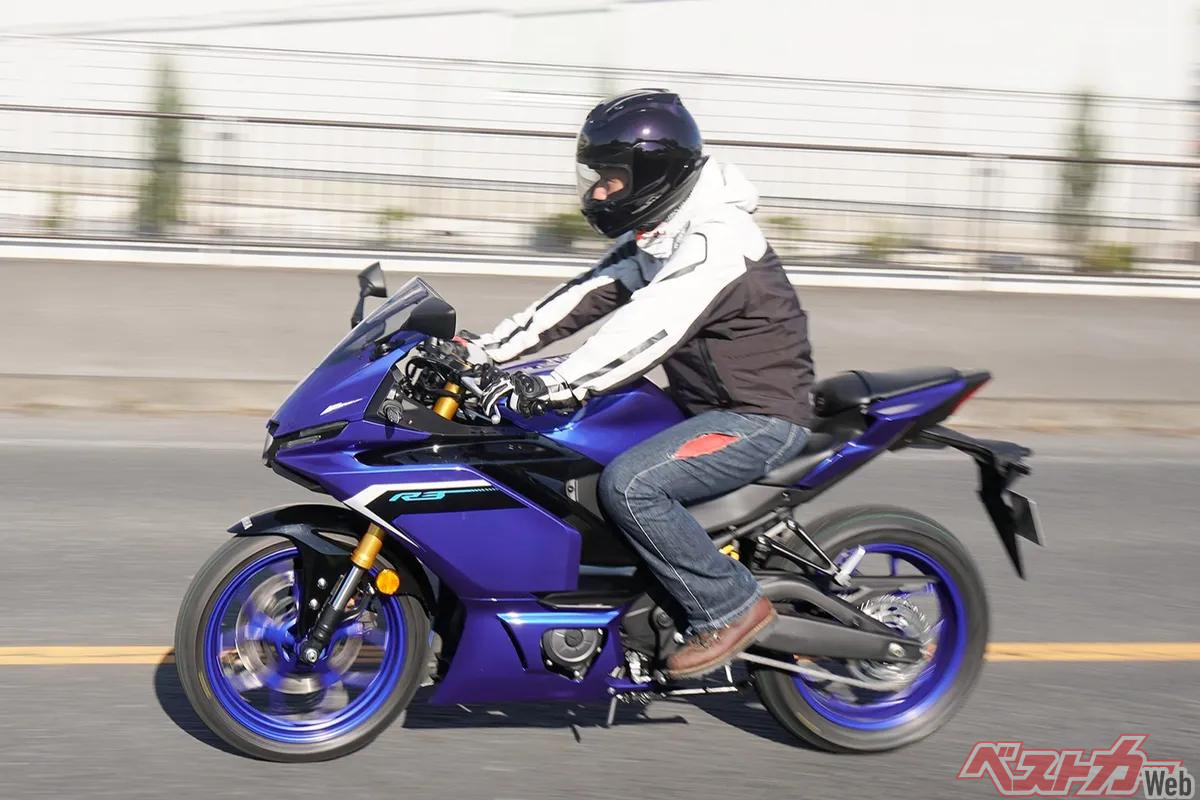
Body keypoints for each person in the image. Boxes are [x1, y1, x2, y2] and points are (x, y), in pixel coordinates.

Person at [460, 89, 815, 680]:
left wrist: (559, 385)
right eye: (596, 178)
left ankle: (730, 607)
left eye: (611, 179)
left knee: (631, 487)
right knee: (564, 451)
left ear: (655, 174)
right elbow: (582, 296)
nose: (599, 193)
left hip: (758, 418)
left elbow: (647, 330)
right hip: (699, 408)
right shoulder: (664, 232)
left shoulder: (716, 240)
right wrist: (482, 352)